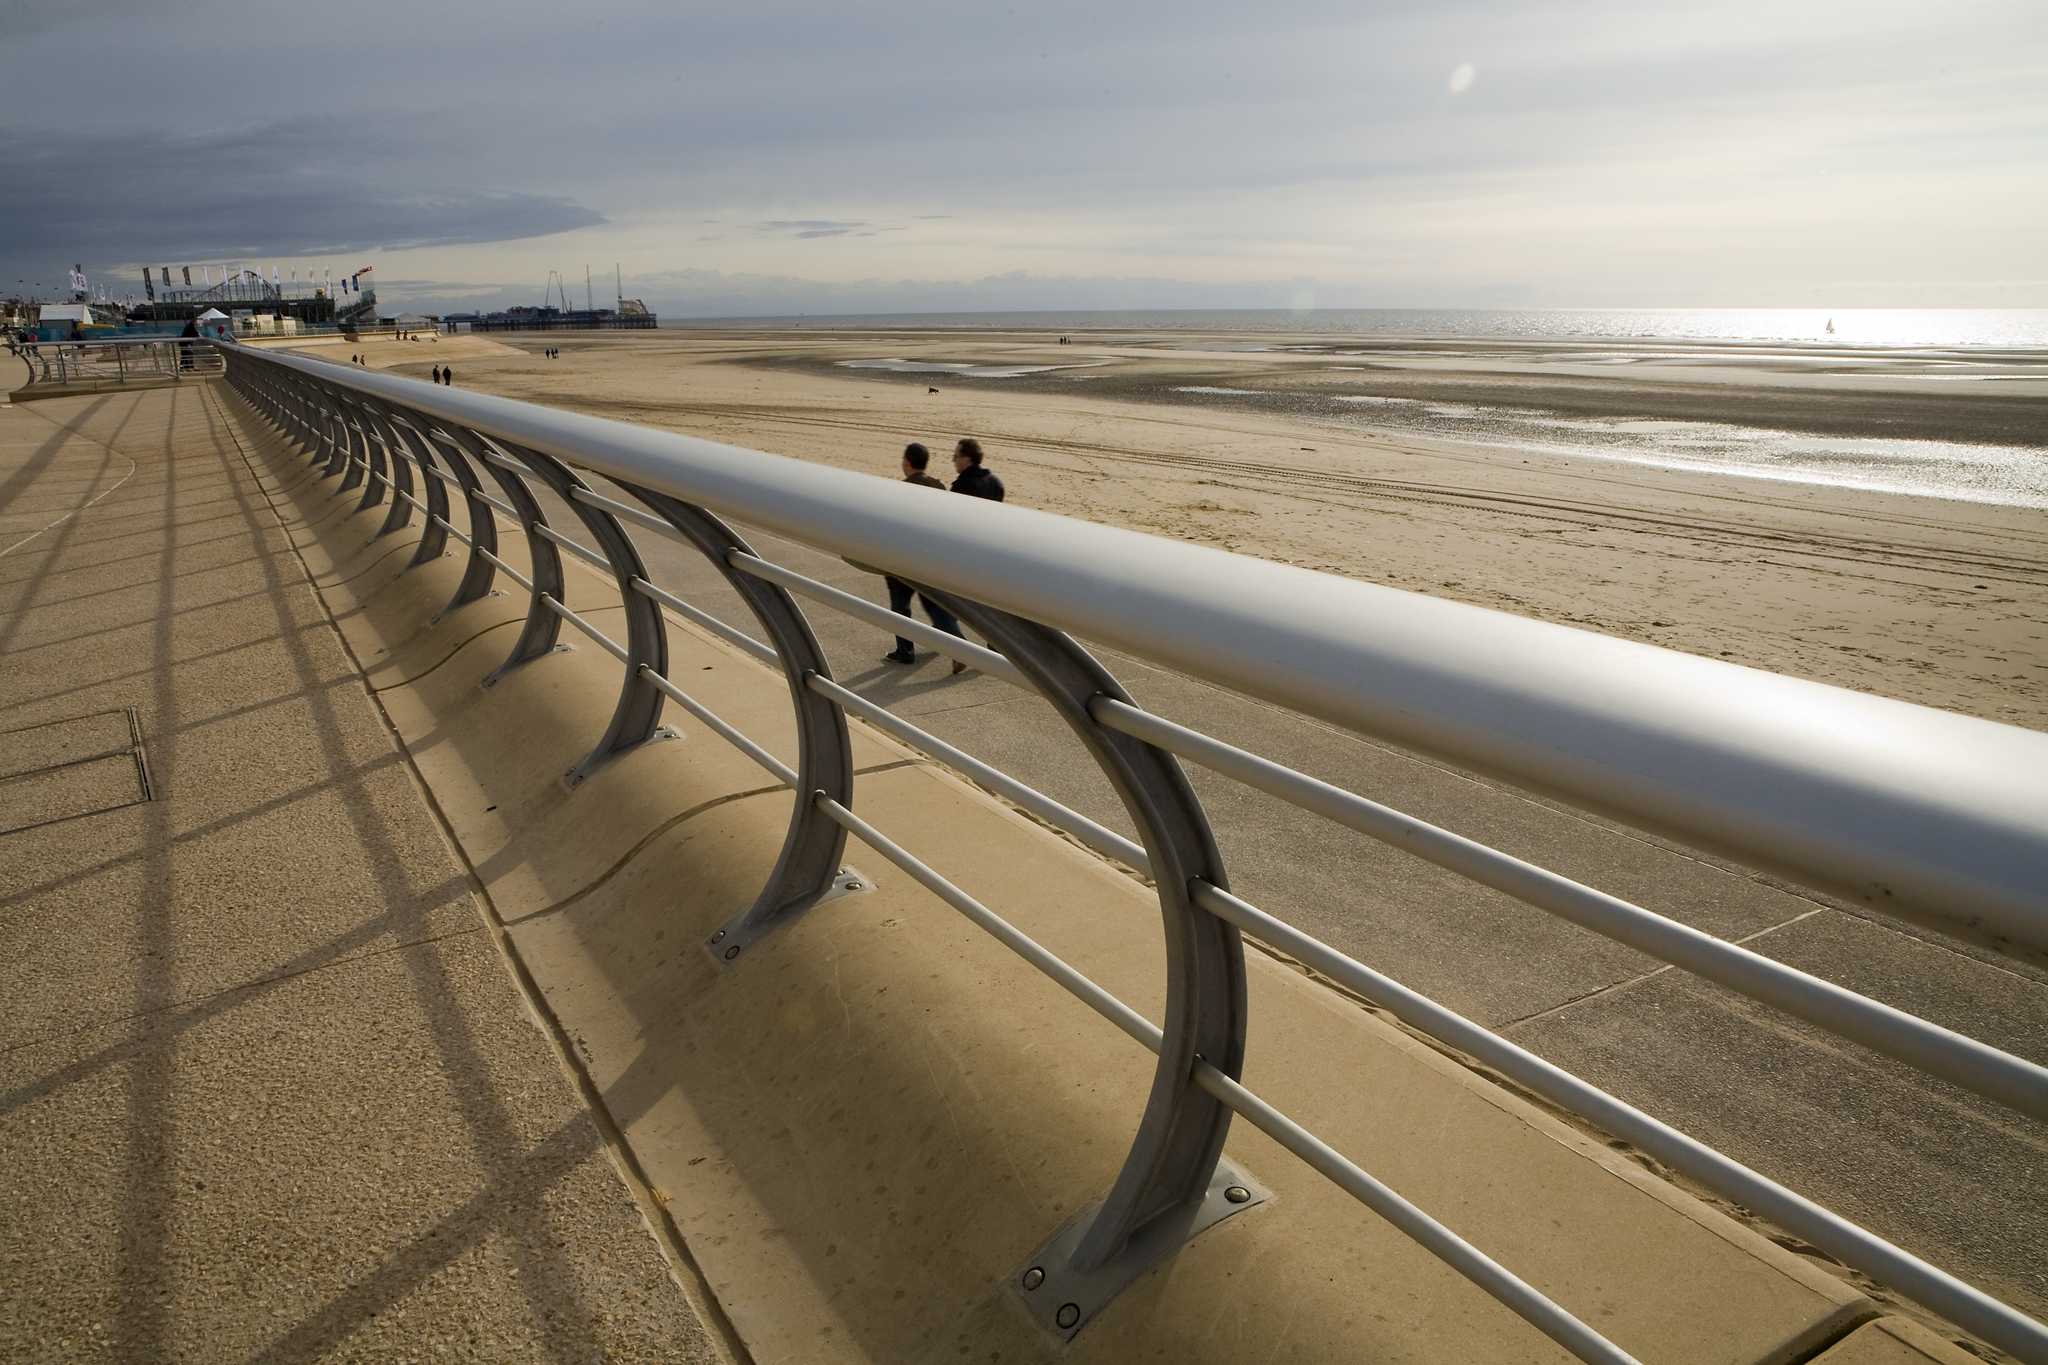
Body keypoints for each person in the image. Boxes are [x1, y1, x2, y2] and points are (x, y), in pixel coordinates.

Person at [881, 443, 969, 672]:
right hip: (933, 558)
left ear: (907, 463)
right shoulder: (938, 486)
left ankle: (906, 651)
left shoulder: (901, 490)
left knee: (901, 608)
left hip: (905, 561)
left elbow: (893, 528)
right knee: (937, 607)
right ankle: (956, 645)